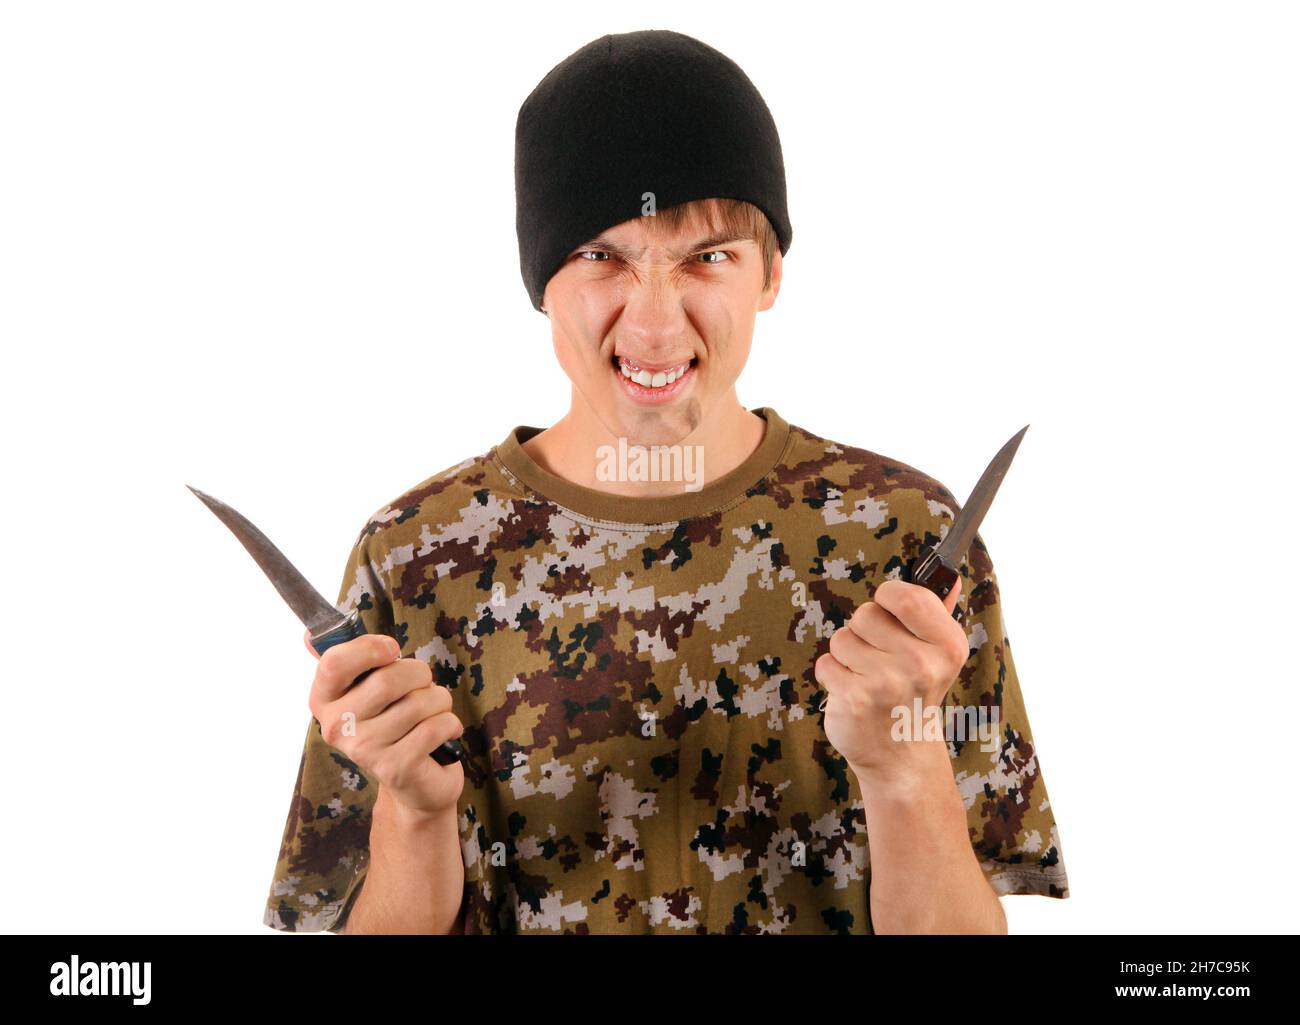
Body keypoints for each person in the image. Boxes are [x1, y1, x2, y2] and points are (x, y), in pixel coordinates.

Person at [262, 28, 1069, 935]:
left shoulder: (906, 545)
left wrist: (905, 767)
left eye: (707, 256)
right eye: (601, 256)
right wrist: (414, 813)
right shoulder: (412, 558)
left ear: (771, 274)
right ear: (542, 281)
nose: (652, 322)